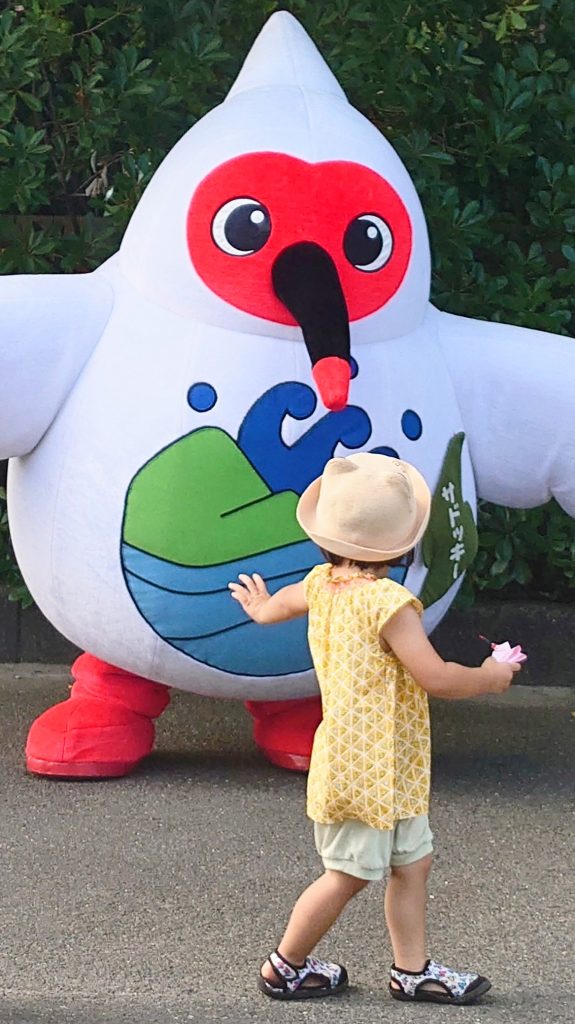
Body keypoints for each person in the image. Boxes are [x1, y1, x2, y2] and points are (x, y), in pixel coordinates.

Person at [229, 453, 521, 1005]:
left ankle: (412, 970)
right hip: (369, 767)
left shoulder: (319, 585)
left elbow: (276, 609)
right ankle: (284, 966)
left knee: (413, 861)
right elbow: (434, 676)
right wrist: (488, 677)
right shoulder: (390, 603)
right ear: (402, 544)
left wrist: (260, 605)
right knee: (348, 873)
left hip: (380, 761)